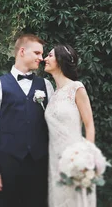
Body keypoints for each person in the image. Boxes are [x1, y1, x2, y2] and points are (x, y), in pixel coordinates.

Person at [0, 34, 55, 207]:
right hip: (8, 162)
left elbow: (54, 124)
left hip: (39, 163)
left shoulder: (46, 85)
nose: (41, 58)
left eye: (42, 54)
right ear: (22, 51)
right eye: (37, 53)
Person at [44, 44, 96, 207]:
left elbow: (89, 125)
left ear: (60, 60)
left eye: (50, 55)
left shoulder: (76, 88)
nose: (45, 59)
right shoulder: (53, 94)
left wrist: (86, 159)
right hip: (54, 159)